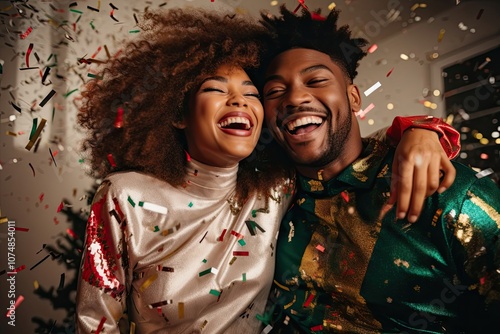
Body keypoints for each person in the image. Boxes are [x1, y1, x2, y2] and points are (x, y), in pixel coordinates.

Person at [75, 8, 460, 334]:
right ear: (178, 114)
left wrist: (420, 130)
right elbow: (96, 321)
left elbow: (348, 149)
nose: (239, 99)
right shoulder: (125, 196)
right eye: (215, 88)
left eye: (252, 92)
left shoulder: (275, 186)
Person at [258, 6, 500, 333]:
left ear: (354, 97)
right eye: (274, 92)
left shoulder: (443, 191)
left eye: (315, 80)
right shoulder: (269, 200)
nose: (295, 97)